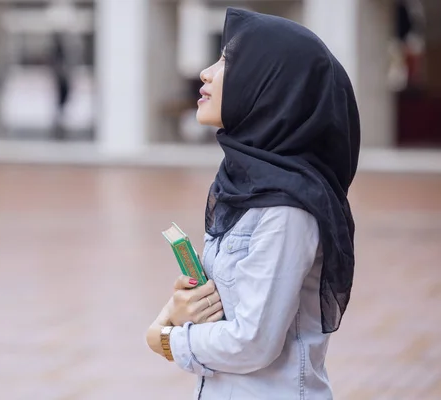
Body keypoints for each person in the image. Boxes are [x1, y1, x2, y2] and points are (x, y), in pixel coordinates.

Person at [145, 8, 360, 399]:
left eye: (227, 60)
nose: (206, 72)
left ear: (269, 85)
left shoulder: (288, 208)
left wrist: (164, 338)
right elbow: (229, 311)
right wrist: (180, 309)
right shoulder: (247, 186)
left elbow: (253, 342)